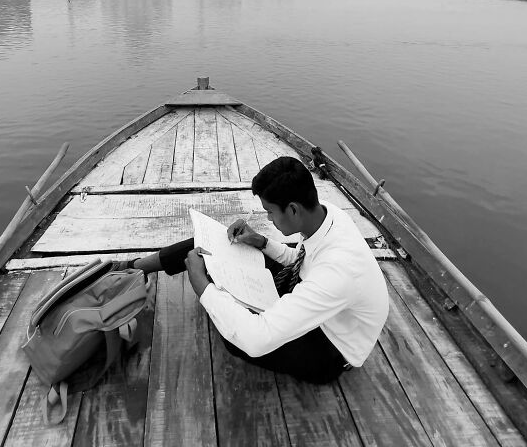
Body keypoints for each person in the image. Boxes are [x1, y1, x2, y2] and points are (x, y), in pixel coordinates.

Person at [125, 156, 389, 384]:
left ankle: (215, 289)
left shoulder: (338, 271)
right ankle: (135, 269)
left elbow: (255, 339)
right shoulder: (327, 217)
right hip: (317, 299)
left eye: (270, 212)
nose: (268, 219)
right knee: (213, 245)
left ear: (293, 209)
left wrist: (201, 285)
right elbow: (298, 259)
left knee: (237, 339)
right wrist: (260, 241)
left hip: (329, 347)